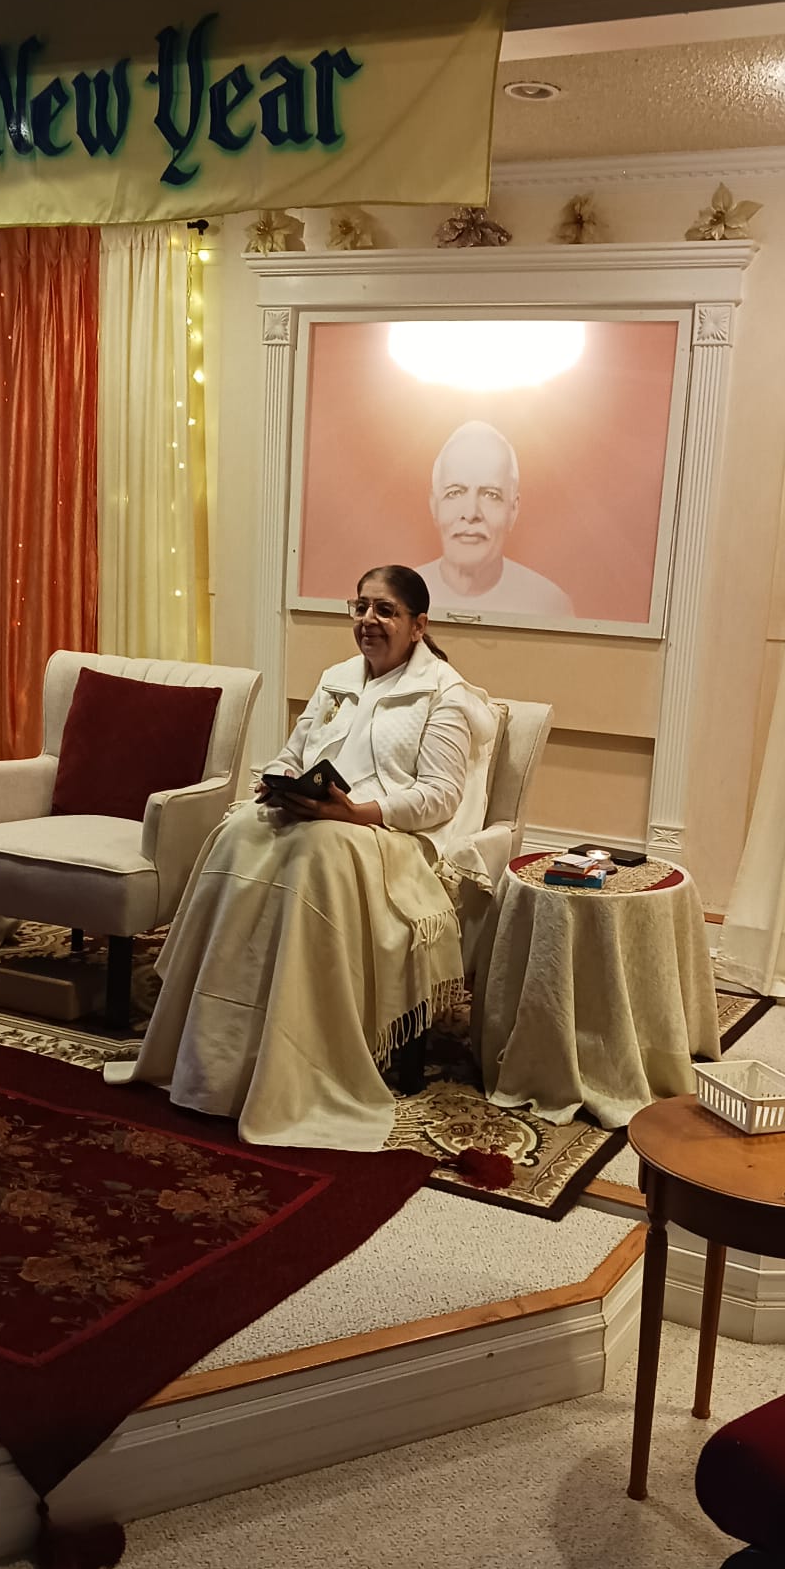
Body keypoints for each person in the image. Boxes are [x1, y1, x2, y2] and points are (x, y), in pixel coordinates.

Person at [107, 564, 497, 1150]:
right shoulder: (336, 679)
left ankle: (302, 1057)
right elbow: (292, 753)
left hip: (389, 834)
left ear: (418, 625)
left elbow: (440, 796)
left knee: (318, 849)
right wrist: (279, 782)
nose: (368, 620)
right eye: (361, 606)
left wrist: (356, 812)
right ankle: (215, 1053)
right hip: (319, 817)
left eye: (385, 610)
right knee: (238, 830)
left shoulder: (445, 695)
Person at [415, 420, 574, 617]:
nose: (471, 513)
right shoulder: (397, 598)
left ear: (513, 510)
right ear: (434, 506)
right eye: (454, 493)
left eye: (491, 495)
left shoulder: (549, 605)